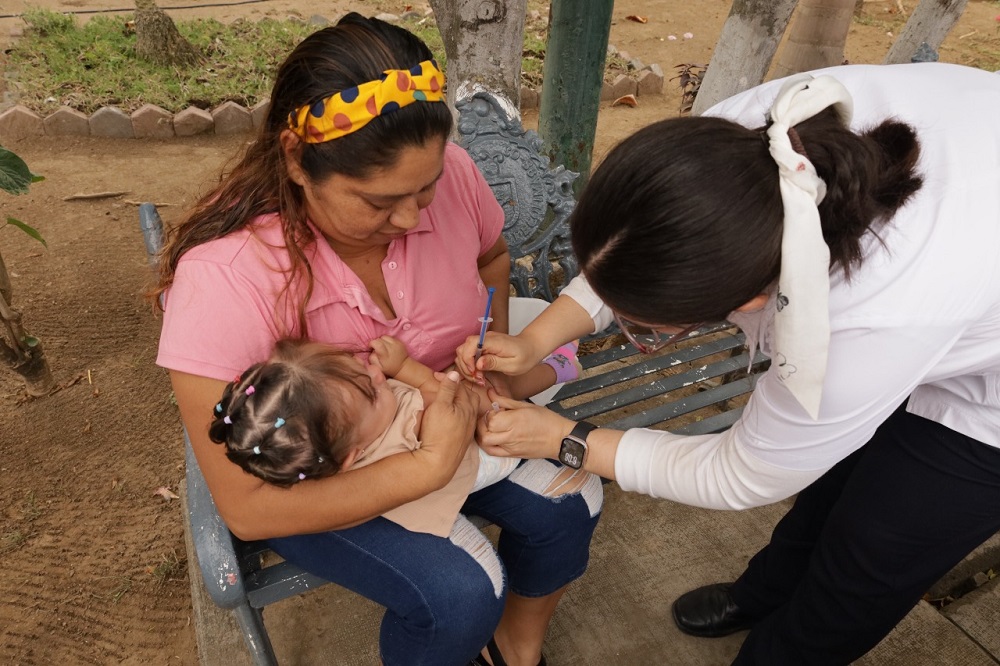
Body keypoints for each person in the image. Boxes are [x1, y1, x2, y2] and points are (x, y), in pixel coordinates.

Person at [458, 62, 1000, 665]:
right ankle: (764, 591)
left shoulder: (867, 320)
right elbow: (631, 251)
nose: (623, 315)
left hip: (988, 399)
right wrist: (536, 341)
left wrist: (566, 438)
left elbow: (743, 475)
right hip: (965, 247)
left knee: (878, 550)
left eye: (644, 325)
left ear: (749, 303)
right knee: (830, 489)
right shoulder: (747, 143)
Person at [154, 13, 602, 666]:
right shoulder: (223, 281)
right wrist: (423, 467)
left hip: (436, 412)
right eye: (378, 201)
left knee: (573, 501)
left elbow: (491, 260)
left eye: (426, 188)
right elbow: (248, 508)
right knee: (460, 593)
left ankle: (516, 647)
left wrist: (493, 356)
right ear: (295, 163)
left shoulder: (450, 177)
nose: (413, 217)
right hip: (331, 470)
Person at [209, 335, 581, 537]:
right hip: (484, 460)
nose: (375, 375)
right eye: (371, 391)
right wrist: (405, 367)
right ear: (352, 456)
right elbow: (451, 394)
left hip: (430, 492)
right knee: (489, 393)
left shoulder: (349, 440)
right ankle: (558, 368)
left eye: (356, 364)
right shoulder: (407, 428)